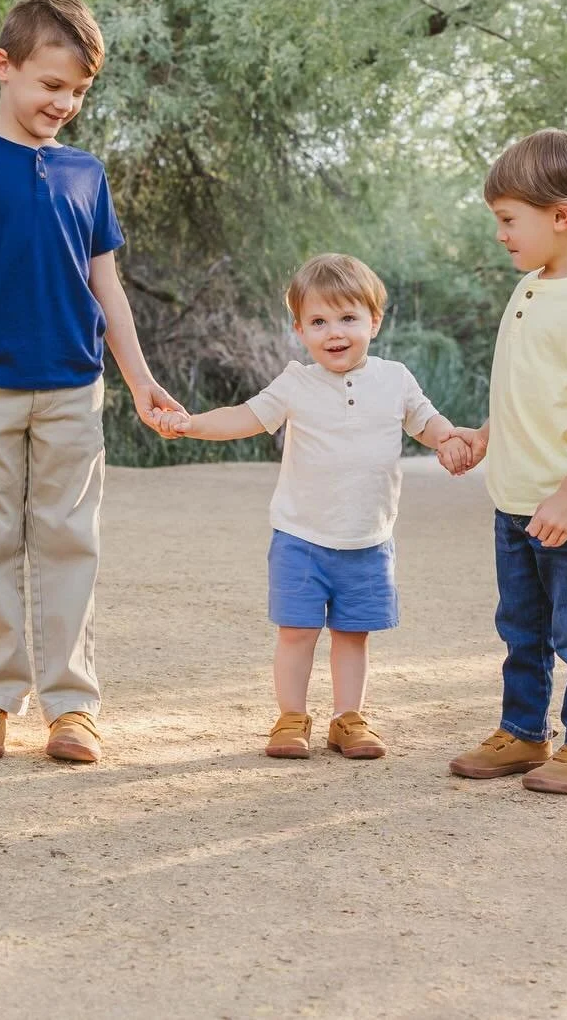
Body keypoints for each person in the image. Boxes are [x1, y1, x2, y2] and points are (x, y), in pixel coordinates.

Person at [0, 0, 182, 766]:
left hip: (72, 386)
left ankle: (72, 708)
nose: (64, 103)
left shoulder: (85, 174)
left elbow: (109, 287)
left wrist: (139, 379)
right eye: (51, 85)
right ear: (4, 67)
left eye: (79, 92)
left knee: (70, 546)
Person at [159, 253, 469, 760]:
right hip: (301, 537)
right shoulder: (296, 384)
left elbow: (426, 421)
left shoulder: (395, 378)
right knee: (297, 632)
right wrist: (190, 422)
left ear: (374, 320)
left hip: (368, 540)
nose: (334, 332)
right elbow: (244, 417)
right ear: (299, 330)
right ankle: (291, 717)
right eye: (319, 322)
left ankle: (349, 719)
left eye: (348, 318)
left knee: (352, 636)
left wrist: (449, 440)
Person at [445, 129, 567, 796]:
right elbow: (532, 387)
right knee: (521, 628)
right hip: (516, 498)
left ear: (561, 215)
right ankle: (525, 732)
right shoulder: (532, 286)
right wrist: (488, 435)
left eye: (507, 219)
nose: (500, 234)